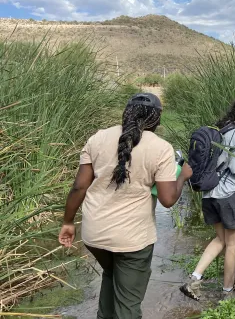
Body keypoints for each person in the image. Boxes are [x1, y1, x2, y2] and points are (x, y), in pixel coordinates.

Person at [58, 93, 193, 319]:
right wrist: (183, 177)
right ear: (157, 118)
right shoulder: (161, 148)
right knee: (128, 308)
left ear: (127, 111)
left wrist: (68, 222)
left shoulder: (97, 138)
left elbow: (79, 188)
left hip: (95, 235)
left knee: (111, 274)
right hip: (133, 240)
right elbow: (167, 200)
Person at [180, 95, 235, 301]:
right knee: (233, 244)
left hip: (210, 194)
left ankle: (194, 278)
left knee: (221, 239)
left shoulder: (222, 129)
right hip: (229, 194)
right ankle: (228, 293)